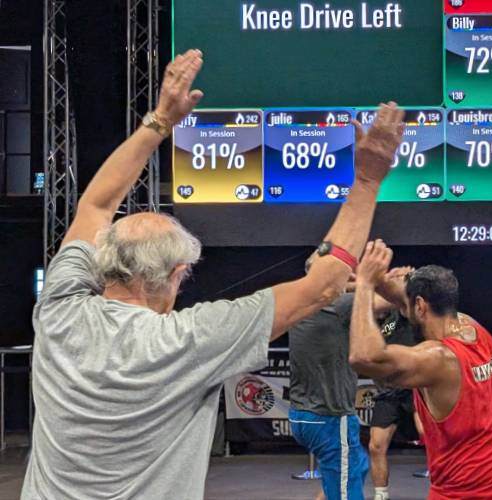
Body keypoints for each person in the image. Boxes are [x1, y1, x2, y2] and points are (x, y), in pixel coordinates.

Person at [22, 49, 405, 499]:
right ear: (177, 275)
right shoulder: (189, 340)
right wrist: (365, 181)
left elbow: (95, 204)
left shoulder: (59, 309)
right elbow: (322, 286)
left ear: (104, 259)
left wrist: (160, 120)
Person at [348, 244, 492, 500]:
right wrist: (376, 280)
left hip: (473, 493)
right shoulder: (473, 327)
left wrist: (365, 286)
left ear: (420, 305)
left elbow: (363, 357)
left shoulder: (438, 359)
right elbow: (405, 299)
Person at [288, 267, 414, 500]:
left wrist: (371, 281)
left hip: (301, 415)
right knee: (347, 487)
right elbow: (397, 299)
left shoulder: (299, 302)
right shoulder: (339, 306)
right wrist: (392, 280)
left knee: (354, 467)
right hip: (331, 418)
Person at [366, 283, 427, 500]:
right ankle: (381, 495)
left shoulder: (412, 312)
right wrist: (360, 281)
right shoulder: (389, 318)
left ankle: (447, 487)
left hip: (416, 389)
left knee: (430, 437)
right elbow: (368, 302)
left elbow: (402, 298)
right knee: (376, 445)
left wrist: (386, 281)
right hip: (389, 392)